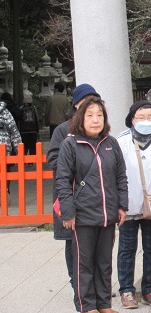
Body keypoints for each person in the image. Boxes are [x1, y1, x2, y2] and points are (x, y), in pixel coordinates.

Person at [55, 97, 128, 313]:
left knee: (104, 263)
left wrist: (121, 205)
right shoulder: (71, 144)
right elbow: (63, 180)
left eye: (99, 115)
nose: (95, 120)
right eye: (90, 115)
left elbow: (120, 177)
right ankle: (87, 306)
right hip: (82, 216)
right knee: (83, 264)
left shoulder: (111, 143)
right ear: (80, 118)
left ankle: (104, 304)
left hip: (107, 215)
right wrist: (67, 213)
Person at [116, 100, 151, 309]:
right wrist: (118, 204)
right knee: (126, 249)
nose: (146, 121)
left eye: (150, 117)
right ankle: (126, 290)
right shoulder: (120, 141)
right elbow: (113, 174)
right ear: (132, 120)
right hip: (128, 206)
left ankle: (150, 289)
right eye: (141, 117)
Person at [46, 83, 101, 289]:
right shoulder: (63, 130)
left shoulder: (99, 129)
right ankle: (76, 281)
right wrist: (75, 164)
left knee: (96, 242)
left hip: (95, 195)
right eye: (85, 102)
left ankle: (96, 283)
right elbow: (52, 159)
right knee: (73, 241)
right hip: (70, 193)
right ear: (76, 105)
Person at [0, 96, 21, 202]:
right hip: (4, 147)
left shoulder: (4, 111)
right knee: (4, 172)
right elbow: (13, 130)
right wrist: (18, 147)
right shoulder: (5, 112)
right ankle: (4, 192)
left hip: (4, 149)